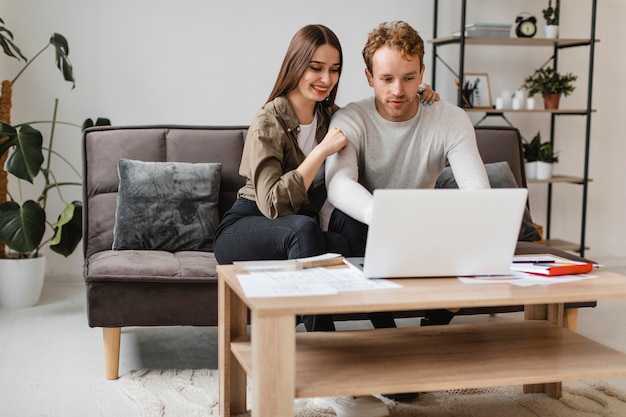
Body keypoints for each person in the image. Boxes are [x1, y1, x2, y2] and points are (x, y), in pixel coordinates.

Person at [214, 24, 439, 335]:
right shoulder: (268, 121)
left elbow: (379, 112)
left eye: (334, 70)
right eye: (316, 68)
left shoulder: (333, 117)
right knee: (303, 228)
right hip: (248, 225)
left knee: (349, 231)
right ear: (296, 65)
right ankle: (325, 344)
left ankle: (390, 336)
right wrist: (320, 152)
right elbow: (272, 205)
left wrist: (418, 96)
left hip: (297, 232)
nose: (326, 79)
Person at [325, 21, 490, 331]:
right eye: (386, 79)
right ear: (369, 77)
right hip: (363, 223)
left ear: (422, 74)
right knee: (351, 223)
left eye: (409, 78)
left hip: (421, 223)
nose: (398, 91)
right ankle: (387, 329)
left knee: (473, 222)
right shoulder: (351, 117)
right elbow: (338, 183)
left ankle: (435, 322)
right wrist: (386, 217)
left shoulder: (450, 119)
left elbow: (476, 189)